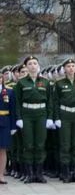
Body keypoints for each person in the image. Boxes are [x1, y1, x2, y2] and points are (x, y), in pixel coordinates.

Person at [13, 56, 52, 184]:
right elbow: (17, 102)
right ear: (26, 67)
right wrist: (19, 118)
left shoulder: (46, 82)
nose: (33, 66)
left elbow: (50, 102)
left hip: (41, 113)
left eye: (35, 63)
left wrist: (49, 118)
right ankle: (29, 174)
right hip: (27, 115)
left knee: (40, 144)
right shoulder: (21, 83)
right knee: (28, 144)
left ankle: (39, 173)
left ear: (38, 65)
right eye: (30, 64)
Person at [53, 59, 75, 183]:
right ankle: (66, 172)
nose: (71, 68)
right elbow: (55, 102)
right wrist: (56, 118)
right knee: (65, 144)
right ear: (64, 69)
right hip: (64, 114)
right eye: (68, 66)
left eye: (73, 66)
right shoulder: (59, 83)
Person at [0, 72, 12, 184]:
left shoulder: (8, 91)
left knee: (3, 149)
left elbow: (12, 109)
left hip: (4, 121)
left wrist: (13, 126)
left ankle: (1, 174)